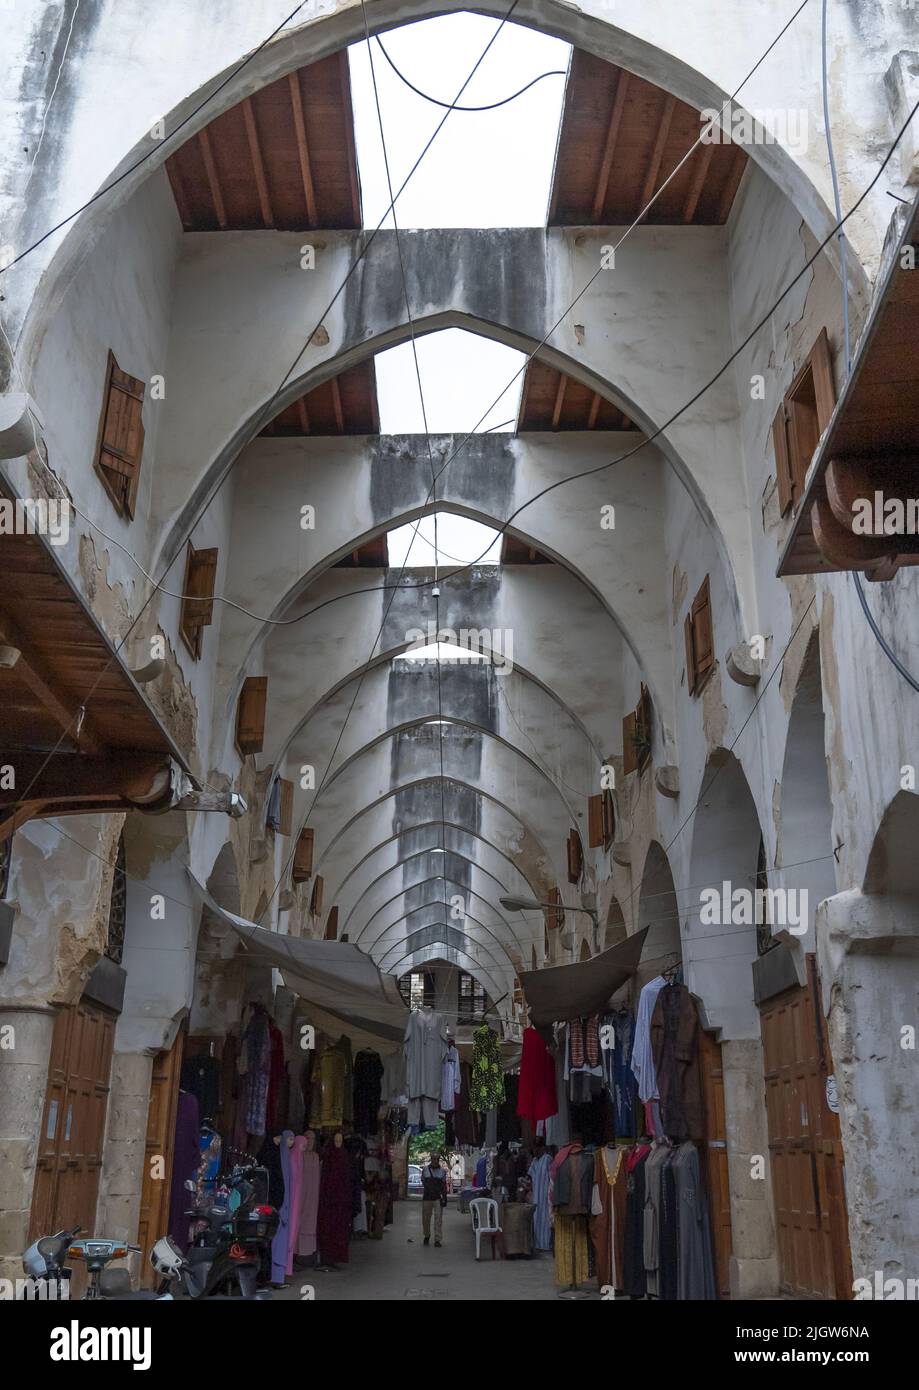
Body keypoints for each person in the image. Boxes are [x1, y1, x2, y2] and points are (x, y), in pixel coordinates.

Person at [421, 1151, 448, 1247]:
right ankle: (427, 1235)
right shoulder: (425, 1170)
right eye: (433, 1158)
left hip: (437, 1198)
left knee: (438, 1219)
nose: (435, 1160)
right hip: (427, 1197)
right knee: (425, 1218)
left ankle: (437, 1239)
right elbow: (423, 1181)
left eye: (437, 1159)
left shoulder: (442, 1171)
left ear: (439, 1159)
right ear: (431, 1159)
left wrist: (444, 1199)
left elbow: (444, 1186)